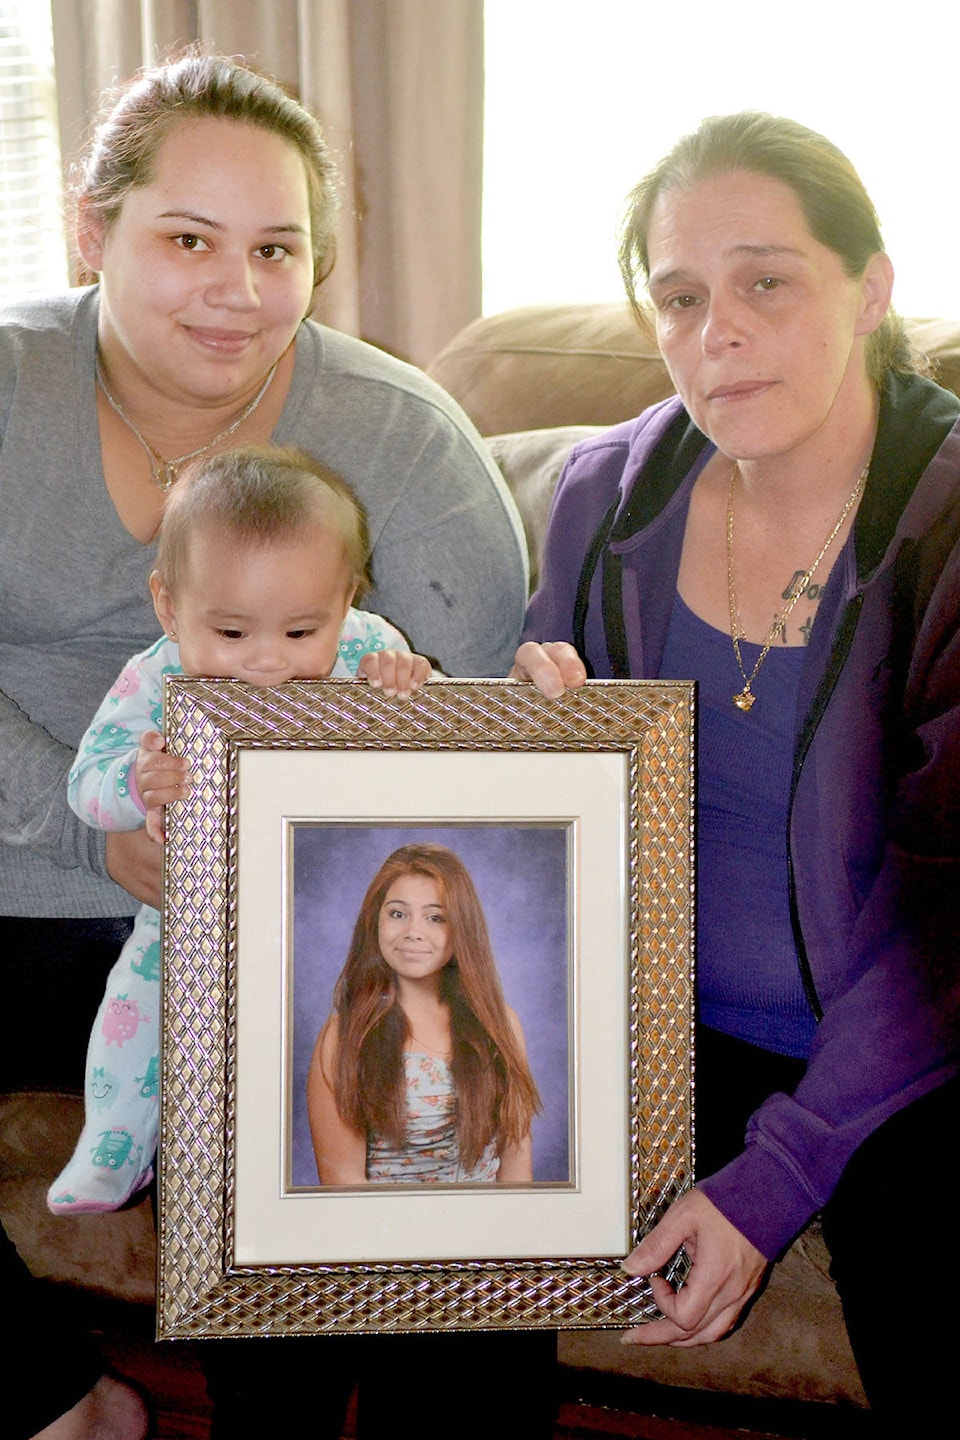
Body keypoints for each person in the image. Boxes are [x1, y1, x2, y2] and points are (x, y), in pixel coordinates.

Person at [0, 50, 527, 1437]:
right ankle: (53, 1397)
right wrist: (96, 837)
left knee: (363, 1102)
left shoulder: (402, 443)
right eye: (188, 240)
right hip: (23, 870)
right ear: (92, 228)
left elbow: (470, 748)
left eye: (276, 249)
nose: (236, 289)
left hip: (286, 911)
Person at [512, 112, 960, 1436]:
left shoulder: (947, 524)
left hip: (912, 1042)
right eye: (682, 297)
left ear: (869, 290)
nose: (720, 332)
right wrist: (517, 745)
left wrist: (776, 1180)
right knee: (433, 1196)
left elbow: (948, 920)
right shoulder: (606, 500)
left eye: (768, 281)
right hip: (662, 1030)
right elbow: (532, 831)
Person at [47, 444, 431, 1214]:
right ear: (169, 607)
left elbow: (457, 756)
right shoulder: (156, 676)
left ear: (346, 602)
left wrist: (409, 689)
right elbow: (86, 784)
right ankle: (116, 1143)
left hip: (337, 896)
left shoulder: (367, 648)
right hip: (195, 907)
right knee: (140, 1000)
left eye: (300, 633)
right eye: (229, 634)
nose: (265, 662)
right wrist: (135, 782)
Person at [308, 842, 541, 1185]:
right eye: (397, 914)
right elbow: (342, 1185)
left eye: (435, 918)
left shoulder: (501, 1025)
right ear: (374, 922)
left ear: (461, 928)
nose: (413, 932)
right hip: (384, 1222)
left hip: (490, 1221)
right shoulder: (344, 1037)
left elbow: (517, 1173)